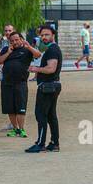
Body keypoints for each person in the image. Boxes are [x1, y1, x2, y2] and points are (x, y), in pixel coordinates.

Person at [25, 24, 63, 153]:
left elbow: (51, 68)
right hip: (53, 85)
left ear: (53, 35)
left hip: (48, 86)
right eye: (42, 35)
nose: (44, 37)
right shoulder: (52, 48)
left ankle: (41, 143)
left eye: (47, 34)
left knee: (41, 114)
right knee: (51, 115)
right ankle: (54, 143)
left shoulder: (52, 50)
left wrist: (36, 69)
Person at [0, 25, 35, 138]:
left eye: (17, 40)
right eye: (12, 41)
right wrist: (8, 53)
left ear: (21, 39)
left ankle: (21, 129)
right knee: (10, 107)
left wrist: (29, 46)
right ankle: (15, 129)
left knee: (20, 107)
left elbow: (38, 55)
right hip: (7, 83)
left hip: (20, 83)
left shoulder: (27, 50)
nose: (15, 42)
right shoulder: (5, 49)